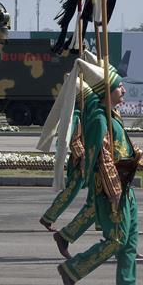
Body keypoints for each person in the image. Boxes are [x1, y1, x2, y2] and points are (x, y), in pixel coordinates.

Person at [57, 61, 143, 285]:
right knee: (116, 240)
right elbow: (103, 160)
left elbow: (124, 146)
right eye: (119, 87)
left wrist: (141, 159)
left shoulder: (113, 116)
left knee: (130, 240)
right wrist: (114, 192)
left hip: (125, 187)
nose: (124, 90)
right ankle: (73, 269)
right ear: (107, 92)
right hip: (113, 191)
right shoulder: (100, 120)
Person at [39, 81, 95, 233]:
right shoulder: (76, 115)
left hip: (90, 159)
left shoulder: (86, 113)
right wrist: (83, 158)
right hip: (81, 162)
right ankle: (49, 216)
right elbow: (74, 140)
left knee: (96, 191)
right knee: (71, 191)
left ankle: (99, 221)